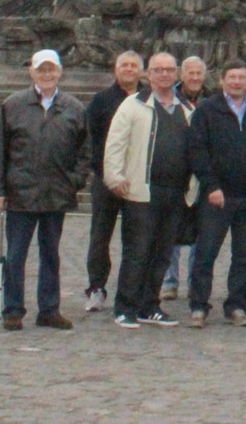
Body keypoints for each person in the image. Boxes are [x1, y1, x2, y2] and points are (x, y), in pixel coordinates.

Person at [0, 49, 89, 331]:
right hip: (21, 192)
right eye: (41, 70)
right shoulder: (13, 105)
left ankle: (49, 309)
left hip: (57, 192)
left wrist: (75, 180)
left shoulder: (75, 108)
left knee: (51, 254)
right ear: (31, 72)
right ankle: (12, 309)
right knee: (16, 255)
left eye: (51, 70)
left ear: (59, 72)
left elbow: (85, 151)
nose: (47, 75)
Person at [103, 52, 196, 329]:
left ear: (177, 74)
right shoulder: (133, 105)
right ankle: (125, 306)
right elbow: (115, 144)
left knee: (163, 252)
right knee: (137, 251)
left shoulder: (188, 109)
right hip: (141, 190)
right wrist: (114, 177)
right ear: (149, 74)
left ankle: (149, 305)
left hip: (175, 191)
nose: (165, 74)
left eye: (170, 70)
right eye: (159, 70)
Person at [187, 60, 246, 328]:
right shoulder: (207, 110)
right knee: (206, 253)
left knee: (245, 254)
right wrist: (211, 186)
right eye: (232, 77)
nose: (237, 81)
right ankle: (198, 305)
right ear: (222, 80)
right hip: (218, 195)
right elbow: (197, 151)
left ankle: (237, 304)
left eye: (241, 77)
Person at [83, 50, 143, 312]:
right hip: (106, 178)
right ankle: (96, 287)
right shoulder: (101, 100)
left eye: (134, 65)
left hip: (139, 178)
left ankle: (132, 289)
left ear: (141, 70)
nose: (129, 69)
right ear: (115, 70)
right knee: (100, 235)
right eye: (124, 65)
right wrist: (104, 172)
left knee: (137, 238)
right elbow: (90, 138)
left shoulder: (149, 98)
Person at [161, 55, 212, 301]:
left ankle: (194, 282)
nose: (194, 78)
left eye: (198, 73)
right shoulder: (169, 98)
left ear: (204, 76)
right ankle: (169, 281)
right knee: (171, 228)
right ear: (182, 75)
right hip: (176, 171)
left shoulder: (212, 101)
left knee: (199, 231)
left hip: (202, 173)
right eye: (190, 73)